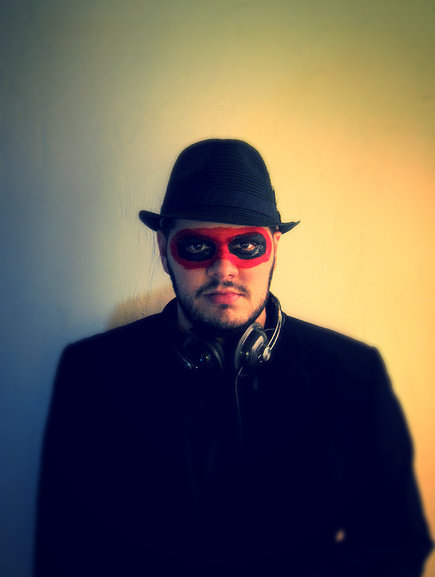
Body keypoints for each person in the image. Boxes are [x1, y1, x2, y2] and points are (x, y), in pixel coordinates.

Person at [34, 139, 433, 576]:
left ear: (275, 247)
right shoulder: (92, 373)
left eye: (246, 246)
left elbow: (397, 545)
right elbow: (63, 554)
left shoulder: (353, 375)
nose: (224, 269)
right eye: (197, 247)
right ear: (164, 249)